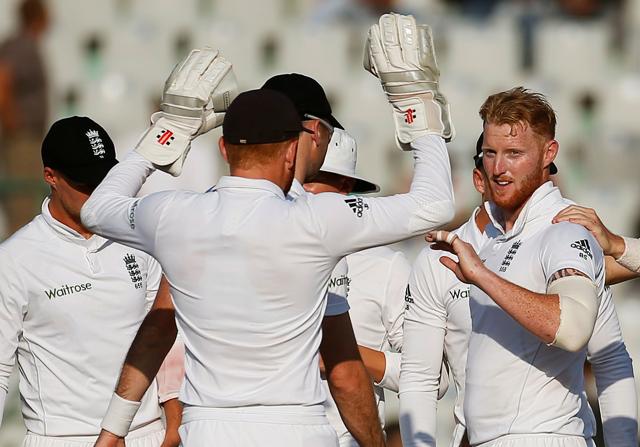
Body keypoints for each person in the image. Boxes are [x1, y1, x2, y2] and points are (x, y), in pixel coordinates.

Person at [82, 15, 455, 446]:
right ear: (295, 147)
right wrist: (412, 97)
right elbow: (434, 204)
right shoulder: (318, 221)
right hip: (298, 430)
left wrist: (169, 128)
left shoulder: (175, 216)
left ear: (222, 147)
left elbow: (98, 210)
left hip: (208, 432)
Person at [399, 133, 637, 447]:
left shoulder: (565, 248)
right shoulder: (436, 262)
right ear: (480, 180)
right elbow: (419, 378)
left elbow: (609, 358)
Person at [426, 87, 610, 447]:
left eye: (514, 153)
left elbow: (572, 329)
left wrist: (480, 275)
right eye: (490, 154)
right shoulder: (500, 238)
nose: (498, 168)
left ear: (549, 153)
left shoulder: (564, 231)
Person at [0, 116, 183, 447]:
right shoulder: (14, 260)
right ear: (50, 176)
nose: (98, 193)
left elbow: (167, 333)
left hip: (145, 435)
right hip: (62, 438)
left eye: (104, 180)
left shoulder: (140, 235)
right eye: (85, 184)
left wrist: (174, 425)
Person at [302, 128, 410, 446]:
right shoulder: (264, 247)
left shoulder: (385, 264)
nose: (299, 189)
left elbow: (433, 376)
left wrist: (342, 354)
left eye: (311, 179)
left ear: (346, 186)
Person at [0, 0, 49, 235]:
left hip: (28, 136)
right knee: (22, 204)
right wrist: (13, 124)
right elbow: (3, 81)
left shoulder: (26, 44)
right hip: (21, 136)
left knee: (31, 200)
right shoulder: (20, 45)